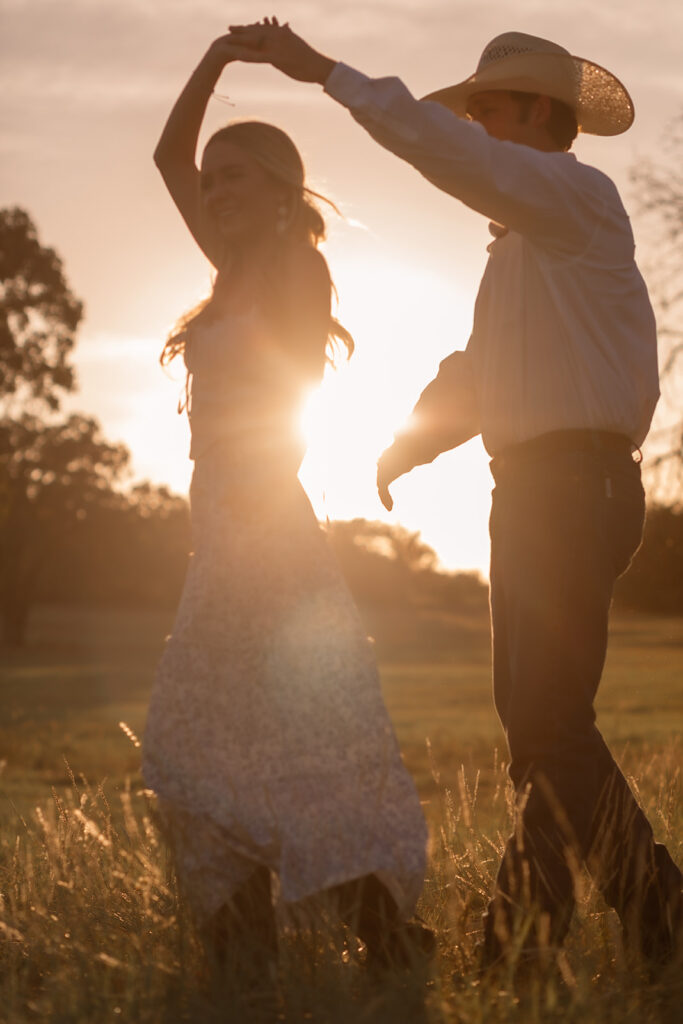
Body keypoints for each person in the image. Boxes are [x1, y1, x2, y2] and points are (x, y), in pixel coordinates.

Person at [222, 22, 683, 974]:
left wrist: (324, 73)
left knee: (546, 723)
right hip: (537, 489)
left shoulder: (577, 197)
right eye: (471, 108)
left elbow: (442, 151)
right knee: (540, 726)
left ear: (540, 117)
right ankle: (524, 939)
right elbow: (480, 372)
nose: (472, 122)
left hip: (571, 486)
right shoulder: (523, 247)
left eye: (489, 107)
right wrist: (409, 444)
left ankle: (651, 903)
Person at [141, 35, 431, 975]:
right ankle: (263, 943)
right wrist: (218, 60)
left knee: (221, 736)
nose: (213, 191)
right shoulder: (230, 272)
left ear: (278, 191)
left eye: (235, 179)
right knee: (237, 738)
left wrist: (244, 531)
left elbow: (282, 407)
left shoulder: (294, 272)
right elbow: (165, 156)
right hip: (220, 524)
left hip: (262, 526)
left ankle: (360, 934)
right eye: (211, 181)